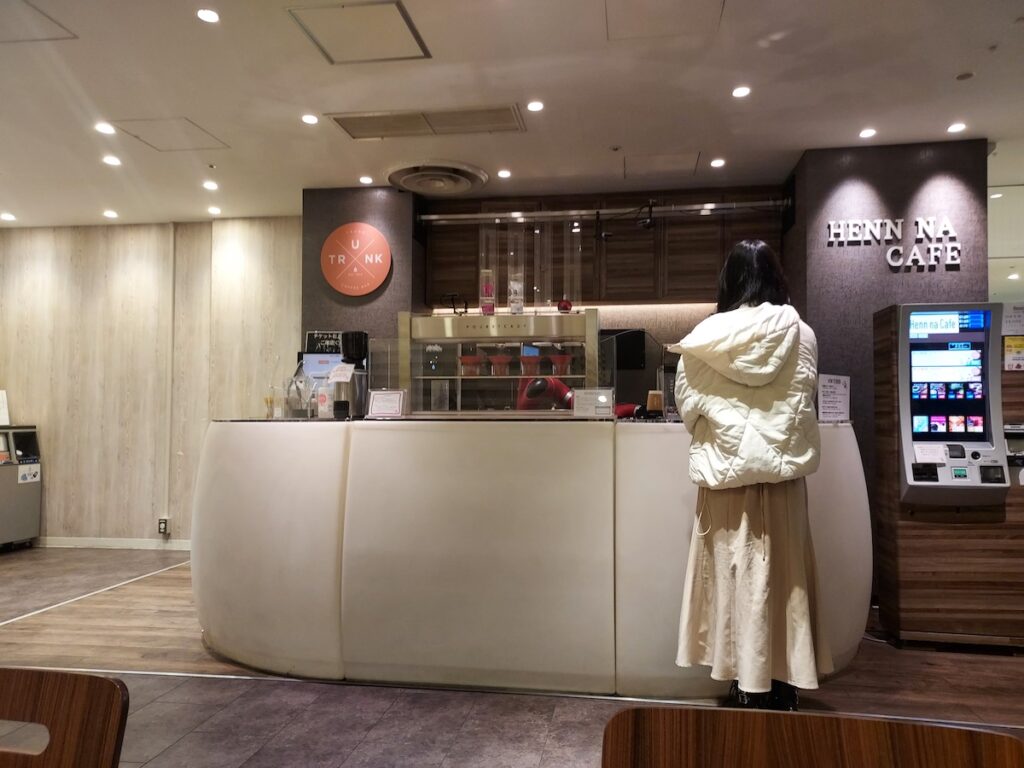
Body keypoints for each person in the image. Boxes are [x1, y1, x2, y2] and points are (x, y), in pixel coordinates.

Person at [671, 239, 833, 711]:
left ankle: (741, 684)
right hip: (782, 487)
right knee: (785, 584)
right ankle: (784, 684)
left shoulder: (703, 339)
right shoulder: (803, 334)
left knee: (729, 583)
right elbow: (805, 402)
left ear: (729, 281)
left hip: (723, 485)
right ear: (777, 279)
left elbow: (689, 412)